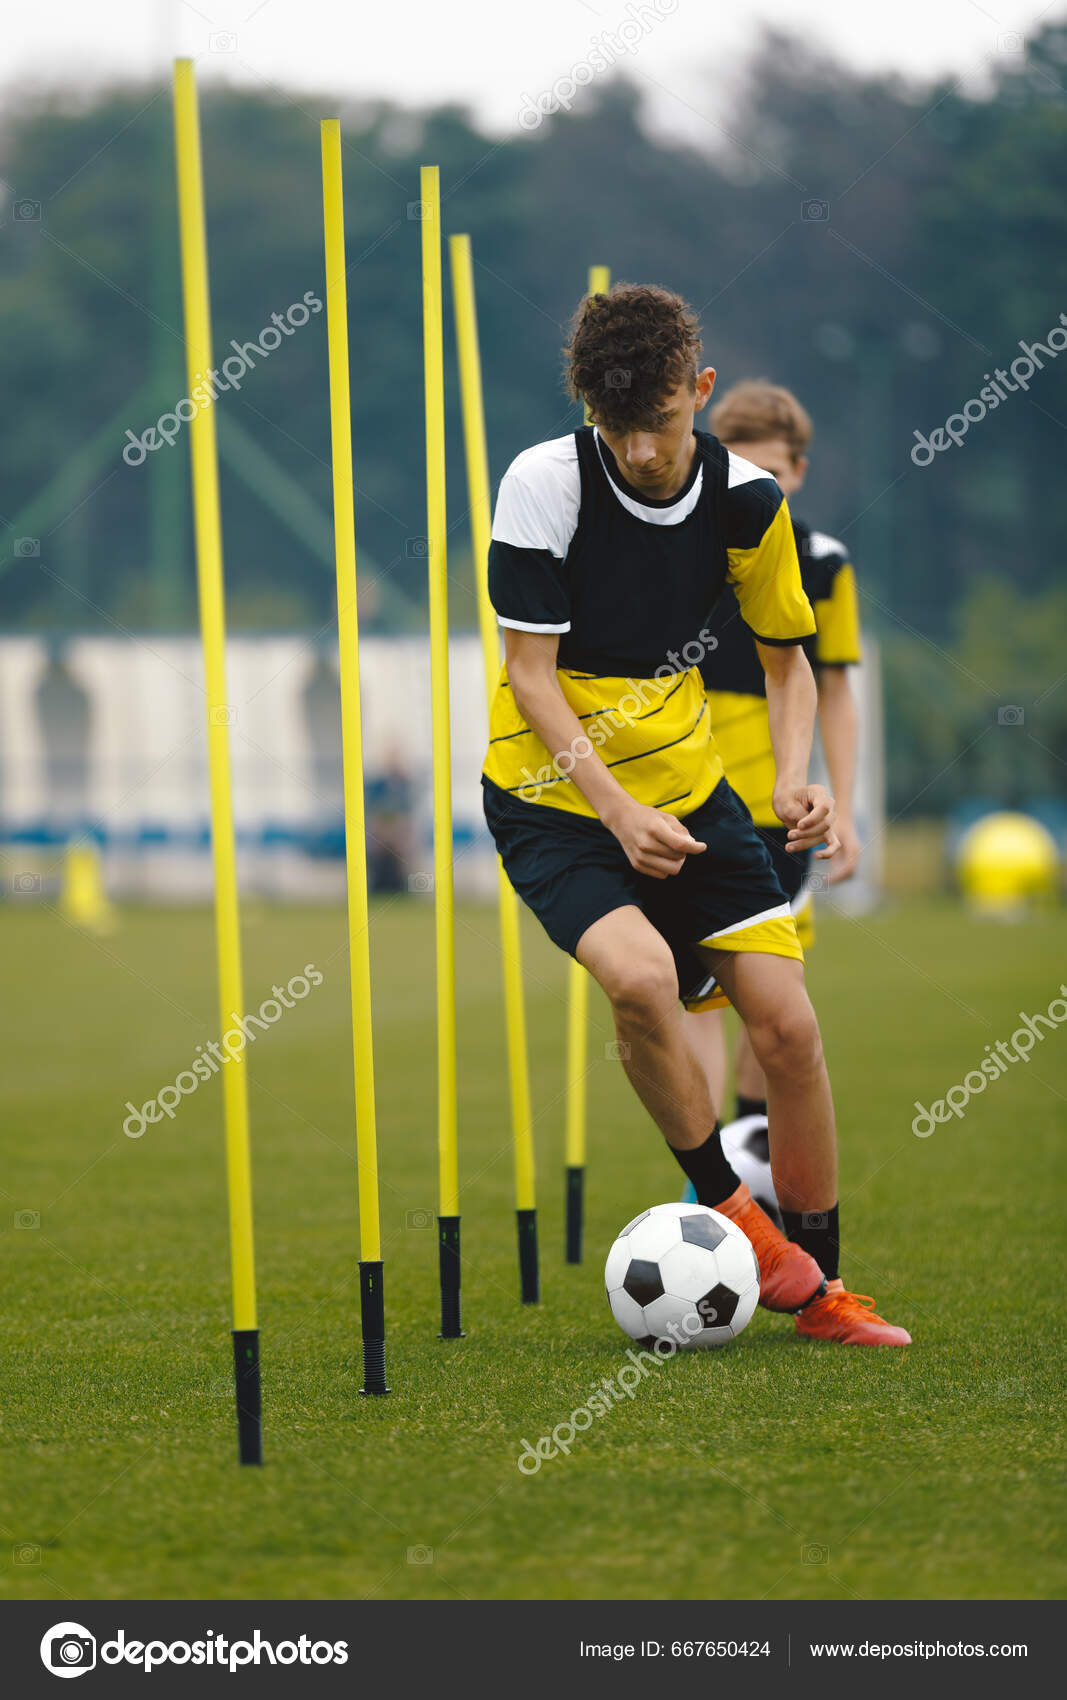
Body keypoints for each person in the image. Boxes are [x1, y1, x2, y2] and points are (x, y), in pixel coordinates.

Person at [480, 283, 909, 1346]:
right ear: (588, 409)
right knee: (638, 981)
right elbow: (528, 676)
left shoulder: (747, 500)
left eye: (660, 423)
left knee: (789, 1029)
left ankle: (825, 1280)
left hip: (690, 794)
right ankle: (759, 1245)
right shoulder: (542, 480)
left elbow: (788, 662)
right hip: (551, 800)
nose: (637, 450)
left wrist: (796, 779)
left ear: (701, 395)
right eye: (615, 427)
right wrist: (615, 810)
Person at [684, 379, 863, 1124]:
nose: (761, 487)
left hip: (774, 812)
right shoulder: (683, 547)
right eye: (744, 471)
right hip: (684, 798)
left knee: (770, 991)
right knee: (693, 993)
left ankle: (754, 1153)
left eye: (774, 473)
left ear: (799, 471)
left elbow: (834, 687)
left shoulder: (822, 561)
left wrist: (843, 810)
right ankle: (710, 1178)